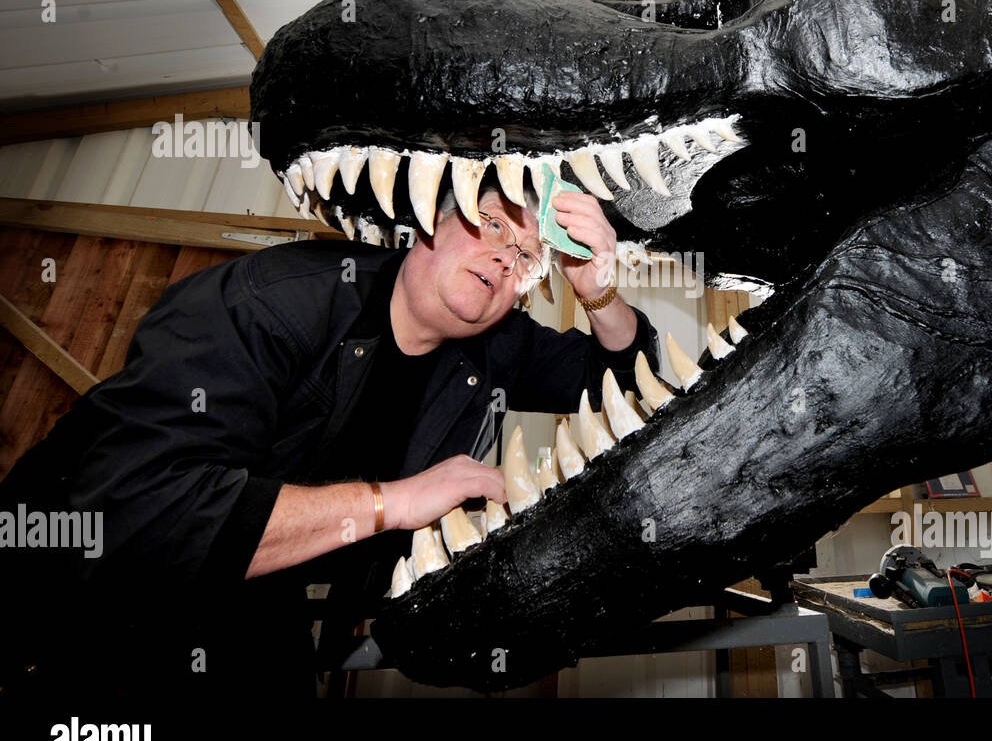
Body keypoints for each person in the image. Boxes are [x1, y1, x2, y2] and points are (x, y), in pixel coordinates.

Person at [0, 173, 660, 696]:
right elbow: (146, 516)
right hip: (63, 559)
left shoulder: (499, 343)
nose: (502, 255)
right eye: (489, 224)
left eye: (524, 257)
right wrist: (394, 504)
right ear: (435, 216)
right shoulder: (278, 299)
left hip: (253, 580)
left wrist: (597, 292)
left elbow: (632, 389)